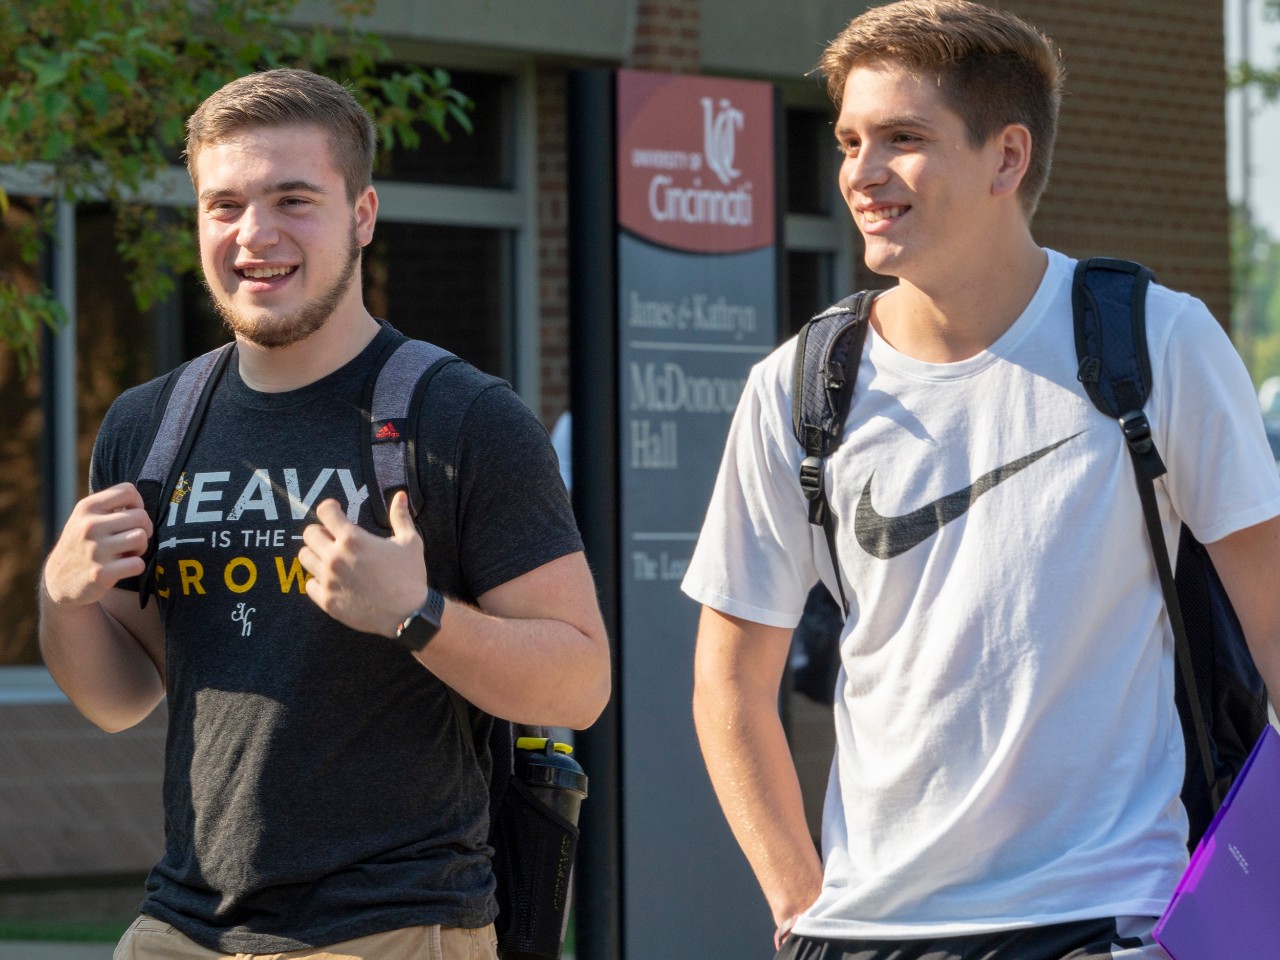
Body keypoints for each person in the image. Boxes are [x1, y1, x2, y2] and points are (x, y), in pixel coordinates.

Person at [682, 3, 1280, 959]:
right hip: (862, 932)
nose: (861, 173)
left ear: (1006, 158)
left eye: (903, 139)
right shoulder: (799, 386)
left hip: (1100, 920)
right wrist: (797, 902)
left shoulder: (1156, 342)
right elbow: (730, 676)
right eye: (849, 141)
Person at [38, 68, 610, 960]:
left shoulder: (463, 418)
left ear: (362, 215)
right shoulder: (149, 426)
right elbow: (120, 699)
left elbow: (579, 681)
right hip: (182, 923)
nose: (254, 234)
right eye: (224, 205)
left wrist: (414, 614)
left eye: (293, 200)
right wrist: (62, 598)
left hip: (393, 924)